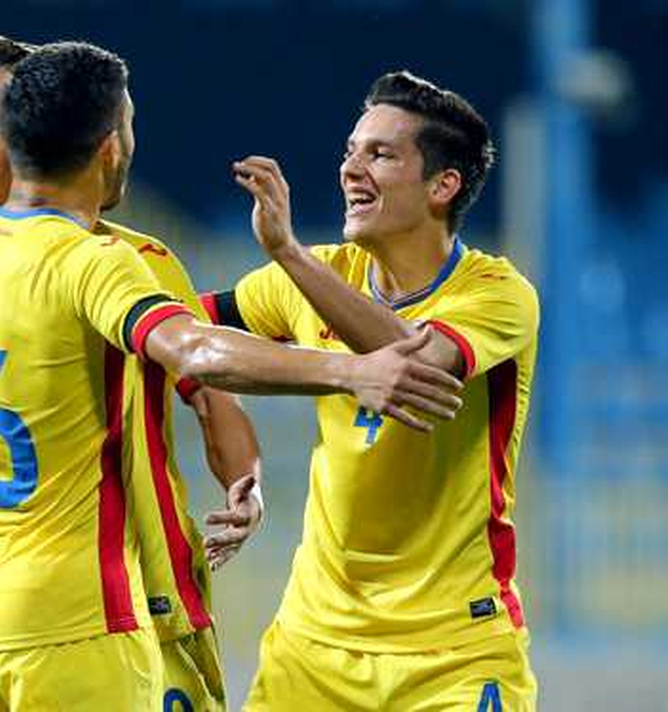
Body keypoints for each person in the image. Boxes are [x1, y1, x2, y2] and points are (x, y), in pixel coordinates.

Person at [0, 43, 463, 711]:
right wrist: (352, 371)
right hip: (94, 611)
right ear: (107, 145)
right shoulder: (96, 265)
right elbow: (195, 351)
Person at [212, 70, 539, 710]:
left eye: (380, 155)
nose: (350, 170)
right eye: (350, 152)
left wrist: (288, 253)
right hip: (313, 648)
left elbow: (413, 367)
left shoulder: (498, 294)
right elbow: (181, 338)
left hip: (453, 653)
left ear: (442, 186)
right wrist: (241, 462)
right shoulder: (321, 274)